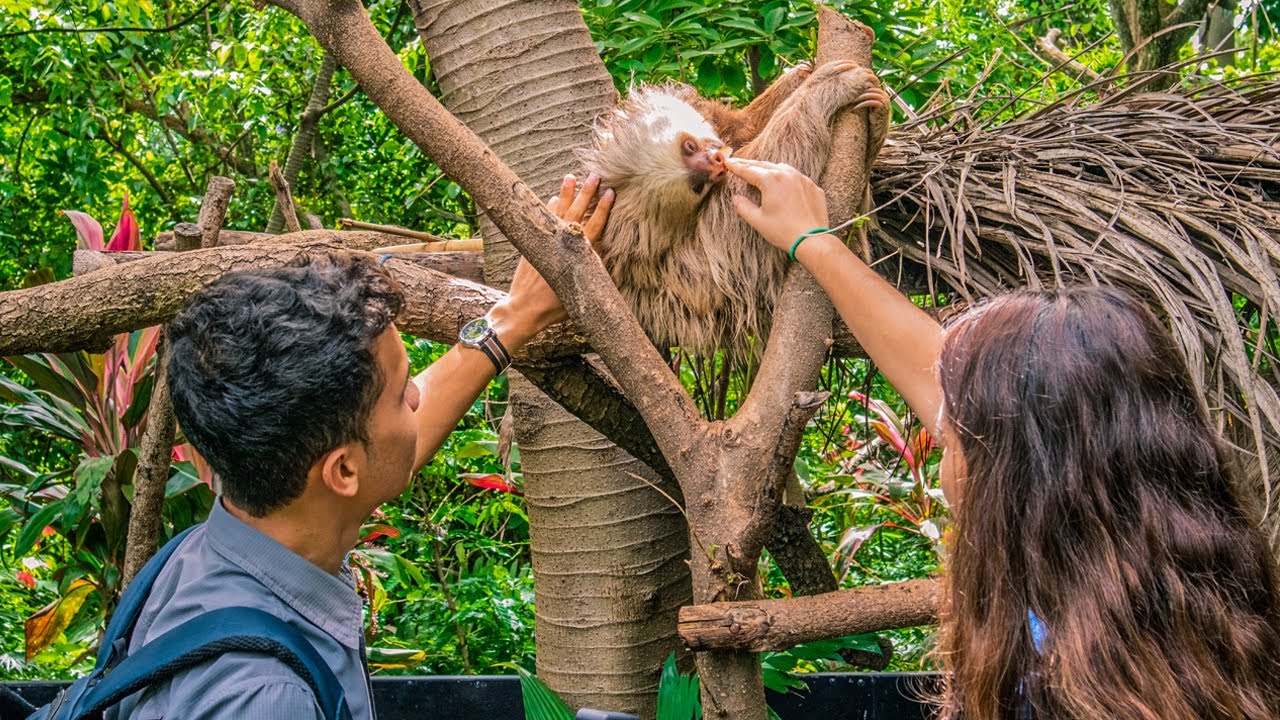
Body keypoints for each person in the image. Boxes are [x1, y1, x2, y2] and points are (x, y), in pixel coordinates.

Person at [725, 156, 1280, 720]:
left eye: (948, 434)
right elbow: (948, 372)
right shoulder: (1194, 613)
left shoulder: (1053, 685)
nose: (939, 435)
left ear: (1011, 470)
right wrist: (815, 242)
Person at [115, 176, 613, 720]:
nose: (421, 394)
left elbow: (393, 445)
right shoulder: (265, 698)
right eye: (403, 394)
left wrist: (514, 317)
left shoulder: (204, 558)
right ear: (343, 471)